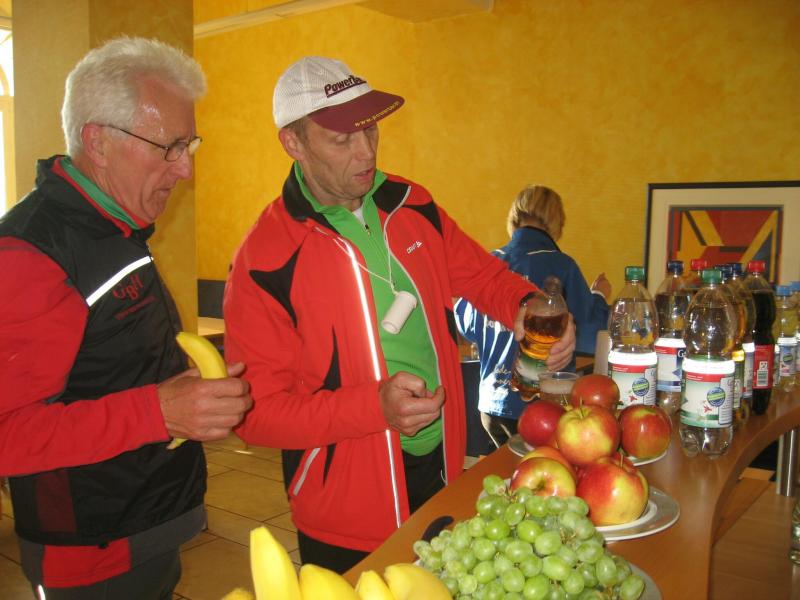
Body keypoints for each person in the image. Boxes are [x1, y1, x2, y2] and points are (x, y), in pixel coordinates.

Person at [223, 56, 576, 573]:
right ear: (293, 143)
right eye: (341, 139)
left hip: (441, 469)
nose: (366, 152)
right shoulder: (265, 258)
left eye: (370, 129)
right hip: (344, 507)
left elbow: (483, 276)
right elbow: (256, 415)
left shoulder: (413, 204)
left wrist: (526, 307)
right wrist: (374, 409)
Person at [0, 37, 252, 599]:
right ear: (98, 141)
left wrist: (181, 392)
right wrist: (159, 411)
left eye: (189, 144)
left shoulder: (114, 227)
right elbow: (7, 432)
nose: (185, 169)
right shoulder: (31, 253)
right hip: (90, 551)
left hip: (146, 520)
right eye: (170, 147)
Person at [455, 184, 611, 447]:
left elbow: (465, 325)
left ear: (514, 217)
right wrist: (598, 296)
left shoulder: (490, 263)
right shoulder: (562, 266)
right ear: (557, 223)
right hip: (541, 408)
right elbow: (589, 335)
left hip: (490, 406)